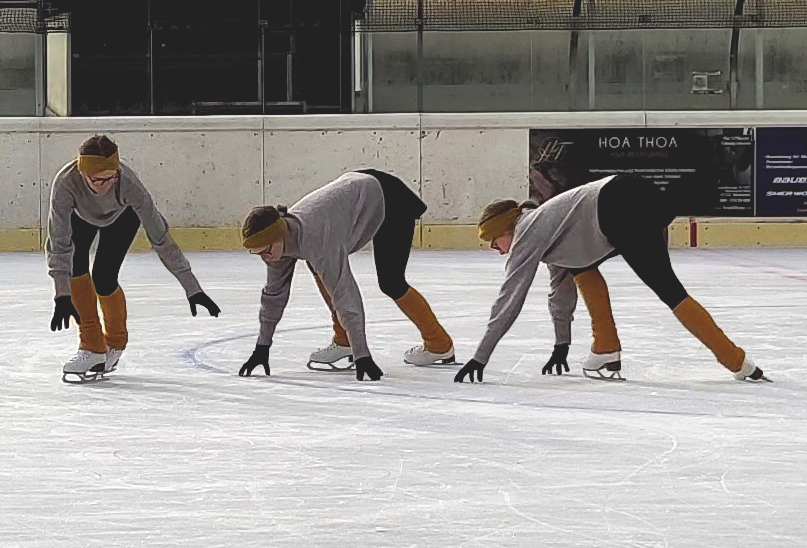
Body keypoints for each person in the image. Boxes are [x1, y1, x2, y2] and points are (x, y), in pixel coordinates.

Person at [454, 174, 768, 383]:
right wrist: (561, 345)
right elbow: (559, 293)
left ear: (504, 231)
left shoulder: (527, 231)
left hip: (618, 206)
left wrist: (480, 358)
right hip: (636, 196)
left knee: (667, 290)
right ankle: (737, 362)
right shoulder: (549, 232)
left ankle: (734, 360)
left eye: (494, 243)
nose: (496, 251)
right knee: (588, 269)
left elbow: (509, 297)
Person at [238, 169, 454, 381]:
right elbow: (274, 296)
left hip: (388, 198)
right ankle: (344, 341)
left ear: (280, 234)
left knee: (391, 281)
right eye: (257, 253)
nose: (265, 257)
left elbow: (345, 294)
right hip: (355, 193)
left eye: (266, 250)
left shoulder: (317, 239)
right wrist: (262, 347)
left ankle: (438, 344)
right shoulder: (277, 247)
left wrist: (363, 356)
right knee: (318, 268)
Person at [46, 135, 220, 381]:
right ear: (83, 174)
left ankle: (114, 342)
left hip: (122, 218)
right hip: (80, 216)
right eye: (98, 180)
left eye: (111, 177)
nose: (106, 185)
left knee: (104, 278)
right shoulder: (65, 184)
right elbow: (58, 243)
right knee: (75, 267)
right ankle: (91, 347)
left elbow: (161, 239)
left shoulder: (129, 185)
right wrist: (62, 294)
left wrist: (192, 288)